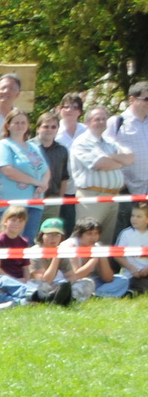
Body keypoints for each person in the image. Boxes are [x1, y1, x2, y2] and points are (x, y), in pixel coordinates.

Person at [69, 105, 132, 239]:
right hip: (92, 196)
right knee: (87, 237)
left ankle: (100, 261)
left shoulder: (110, 142)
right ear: (87, 122)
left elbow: (131, 158)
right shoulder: (82, 142)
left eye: (104, 119)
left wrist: (111, 158)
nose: (101, 122)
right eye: (97, 119)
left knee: (105, 240)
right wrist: (119, 161)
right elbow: (101, 164)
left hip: (113, 196)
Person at [0, 109, 49, 234]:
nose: (20, 125)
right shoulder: (4, 145)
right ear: (8, 125)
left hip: (35, 203)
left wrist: (44, 184)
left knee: (28, 242)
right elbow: (7, 170)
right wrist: (36, 182)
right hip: (12, 204)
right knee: (10, 242)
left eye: (23, 122)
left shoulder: (33, 146)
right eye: (16, 122)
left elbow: (46, 169)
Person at [107, 82, 148, 230]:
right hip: (126, 189)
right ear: (132, 99)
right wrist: (120, 179)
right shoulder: (117, 122)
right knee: (123, 231)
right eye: (146, 98)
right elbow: (106, 152)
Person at [61, 216, 132, 299]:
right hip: (71, 282)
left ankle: (95, 295)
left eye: (96, 233)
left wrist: (101, 256)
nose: (93, 237)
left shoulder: (97, 246)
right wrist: (94, 259)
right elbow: (76, 276)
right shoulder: (71, 246)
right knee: (83, 283)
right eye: (89, 234)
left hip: (92, 281)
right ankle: (100, 294)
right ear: (79, 234)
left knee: (122, 280)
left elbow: (108, 279)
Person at [117, 201, 148, 293]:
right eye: (132, 216)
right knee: (139, 284)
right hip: (133, 274)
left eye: (139, 216)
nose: (134, 219)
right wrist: (132, 268)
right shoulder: (126, 234)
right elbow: (117, 256)